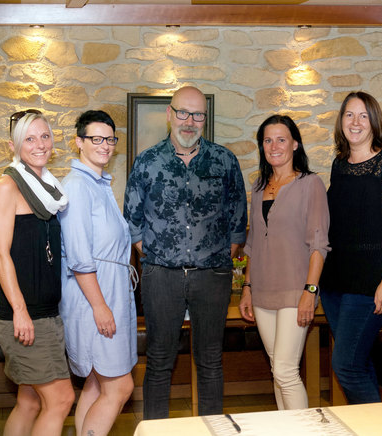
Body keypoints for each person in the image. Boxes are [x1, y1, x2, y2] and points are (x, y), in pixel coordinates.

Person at [124, 86, 247, 419]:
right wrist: (154, 256)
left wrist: (215, 258)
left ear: (205, 119)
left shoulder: (224, 160)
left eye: (197, 115)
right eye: (183, 113)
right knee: (160, 362)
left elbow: (238, 222)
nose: (189, 121)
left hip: (212, 276)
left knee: (210, 361)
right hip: (161, 276)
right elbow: (132, 222)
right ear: (169, 114)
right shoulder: (147, 162)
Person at [319, 91, 382, 404]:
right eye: (349, 115)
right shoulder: (340, 164)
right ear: (341, 121)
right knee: (358, 362)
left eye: (363, 115)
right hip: (334, 283)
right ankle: (374, 424)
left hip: (371, 283)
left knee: (345, 366)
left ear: (374, 121)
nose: (355, 122)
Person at [0, 110, 74, 436]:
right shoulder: (7, 186)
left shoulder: (47, 188)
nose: (40, 144)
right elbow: (0, 254)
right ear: (14, 145)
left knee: (30, 403)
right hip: (28, 318)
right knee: (61, 400)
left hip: (46, 314)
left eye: (45, 136)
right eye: (30, 138)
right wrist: (19, 312)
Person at [238, 115, 330, 410]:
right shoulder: (258, 186)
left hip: (295, 290)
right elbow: (253, 244)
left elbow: (318, 245)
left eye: (281, 139)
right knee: (278, 369)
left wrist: (310, 292)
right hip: (263, 292)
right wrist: (247, 287)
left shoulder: (310, 184)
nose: (274, 146)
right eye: (267, 140)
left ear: (295, 144)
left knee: (286, 372)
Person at [59, 110, 137, 435]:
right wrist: (101, 306)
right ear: (79, 142)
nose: (105, 145)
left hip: (110, 294)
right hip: (94, 300)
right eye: (96, 138)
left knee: (94, 384)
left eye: (110, 139)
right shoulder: (77, 187)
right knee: (120, 388)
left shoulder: (98, 184)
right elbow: (79, 257)